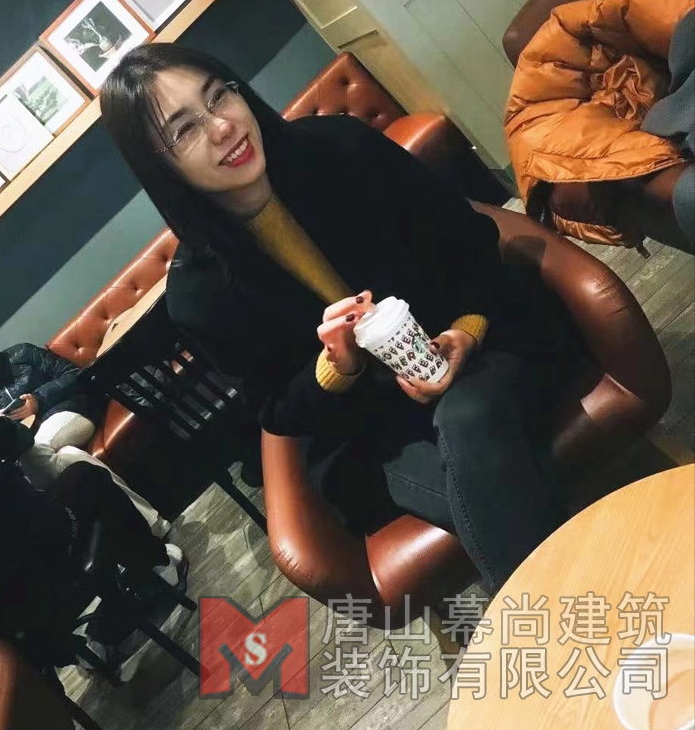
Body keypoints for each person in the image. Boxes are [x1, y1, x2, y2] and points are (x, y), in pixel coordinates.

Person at [100, 44, 576, 594]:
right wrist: (336, 364)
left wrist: (464, 332)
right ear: (160, 166)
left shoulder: (342, 149)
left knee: (471, 429)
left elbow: (467, 239)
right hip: (377, 429)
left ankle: (552, 627)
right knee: (492, 486)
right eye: (184, 130)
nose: (222, 127)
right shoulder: (200, 293)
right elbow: (276, 409)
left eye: (218, 96)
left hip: (484, 353)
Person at [0, 401, 185, 676]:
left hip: (6, 610)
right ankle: (158, 564)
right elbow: (21, 441)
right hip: (54, 542)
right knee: (85, 476)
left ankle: (73, 648)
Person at [0, 324, 174, 543]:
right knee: (71, 458)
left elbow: (72, 373)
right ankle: (151, 525)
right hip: (37, 441)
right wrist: (0, 426)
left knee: (33, 452)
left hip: (70, 412)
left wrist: (38, 400)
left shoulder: (22, 354)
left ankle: (89, 537)